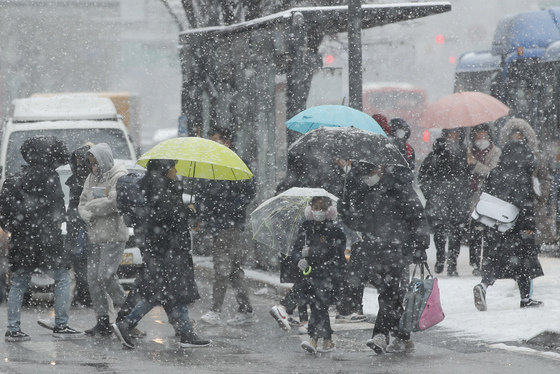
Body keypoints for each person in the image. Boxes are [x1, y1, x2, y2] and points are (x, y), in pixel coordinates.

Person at [113, 159, 210, 349]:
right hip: (167, 249)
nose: (176, 170)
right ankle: (127, 323)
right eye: (173, 166)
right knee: (166, 291)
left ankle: (186, 333)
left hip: (161, 248)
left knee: (169, 292)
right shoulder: (162, 188)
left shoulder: (155, 185)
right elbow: (167, 217)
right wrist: (187, 211)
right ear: (166, 169)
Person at [340, 162, 429, 354]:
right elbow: (358, 222)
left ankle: (381, 334)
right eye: (363, 176)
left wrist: (421, 246)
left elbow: (417, 217)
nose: (366, 178)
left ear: (379, 168)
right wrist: (344, 206)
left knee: (391, 292)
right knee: (391, 293)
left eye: (369, 173)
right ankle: (400, 335)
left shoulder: (399, 188)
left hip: (397, 250)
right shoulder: (363, 191)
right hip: (373, 250)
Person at [0, 136, 82, 341]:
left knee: (19, 282)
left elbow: (4, 217)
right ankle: (61, 325)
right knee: (62, 277)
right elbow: (59, 212)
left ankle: (13, 329)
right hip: (47, 240)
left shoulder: (13, 180)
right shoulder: (50, 177)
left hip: (22, 241)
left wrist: (18, 228)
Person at [473, 118, 545, 311]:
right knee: (523, 261)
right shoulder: (523, 177)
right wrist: (529, 228)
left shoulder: (496, 172)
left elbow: (486, 196)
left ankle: (484, 285)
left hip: (494, 224)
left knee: (495, 260)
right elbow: (526, 205)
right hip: (516, 226)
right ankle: (526, 298)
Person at [198, 126, 257, 326]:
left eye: (216, 141)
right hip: (219, 225)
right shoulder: (211, 166)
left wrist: (225, 204)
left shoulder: (237, 165)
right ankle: (245, 308)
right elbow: (204, 195)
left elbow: (248, 192)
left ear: (227, 143)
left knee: (223, 268)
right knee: (233, 269)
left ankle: (216, 310)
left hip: (230, 226)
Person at [79, 143, 129, 336]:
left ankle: (126, 312)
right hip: (95, 235)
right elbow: (82, 203)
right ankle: (102, 320)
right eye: (91, 164)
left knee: (106, 276)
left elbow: (113, 203)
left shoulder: (119, 176)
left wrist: (92, 206)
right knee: (93, 279)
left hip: (113, 235)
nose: (94, 168)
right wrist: (87, 212)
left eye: (96, 163)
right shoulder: (91, 178)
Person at [290, 196, 346, 354]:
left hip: (327, 275)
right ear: (310, 210)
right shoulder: (305, 228)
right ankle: (327, 340)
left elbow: (336, 255)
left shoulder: (336, 231)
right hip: (308, 274)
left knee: (318, 306)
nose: (318, 212)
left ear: (329, 211)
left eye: (322, 208)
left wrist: (313, 252)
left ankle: (313, 340)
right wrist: (299, 259)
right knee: (318, 306)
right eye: (315, 208)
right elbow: (295, 249)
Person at [419, 129, 472, 276]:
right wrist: (430, 194)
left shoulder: (464, 155)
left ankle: (452, 262)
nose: (453, 137)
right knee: (439, 230)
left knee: (456, 232)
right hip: (439, 199)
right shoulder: (436, 155)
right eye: (450, 134)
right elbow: (423, 176)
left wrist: (465, 193)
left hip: (457, 200)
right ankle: (440, 256)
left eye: (456, 134)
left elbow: (468, 178)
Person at [467, 124, 501, 276]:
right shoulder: (469, 152)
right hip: (472, 196)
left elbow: (492, 172)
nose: (481, 140)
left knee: (487, 230)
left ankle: (486, 262)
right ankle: (475, 262)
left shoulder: (496, 152)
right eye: (478, 137)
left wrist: (475, 164)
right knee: (474, 231)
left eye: (484, 136)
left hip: (488, 197)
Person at [65, 144, 93, 306]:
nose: (78, 165)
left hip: (85, 226)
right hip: (75, 226)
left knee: (84, 262)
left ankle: (85, 294)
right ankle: (83, 294)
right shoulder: (75, 180)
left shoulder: (89, 180)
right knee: (78, 262)